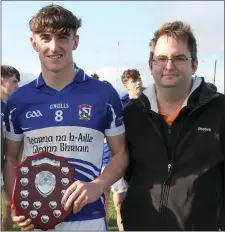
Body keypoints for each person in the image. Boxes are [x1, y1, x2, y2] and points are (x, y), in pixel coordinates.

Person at [3, 4, 128, 231]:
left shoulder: (104, 95)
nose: (53, 46)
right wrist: (16, 203)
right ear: (33, 43)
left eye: (62, 37)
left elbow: (121, 153)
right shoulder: (18, 100)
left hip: (89, 221)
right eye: (45, 37)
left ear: (75, 41)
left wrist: (98, 186)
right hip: (38, 222)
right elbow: (11, 159)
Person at [121, 21, 225, 231]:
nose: (169, 66)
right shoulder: (132, 113)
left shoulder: (220, 109)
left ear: (194, 64)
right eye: (161, 59)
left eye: (179, 58)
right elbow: (128, 171)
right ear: (151, 66)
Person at [103, 70, 143, 231]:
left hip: (140, 160)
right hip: (116, 158)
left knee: (138, 200)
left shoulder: (151, 102)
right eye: (133, 80)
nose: (138, 83)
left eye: (139, 79)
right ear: (126, 85)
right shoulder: (120, 105)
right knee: (116, 200)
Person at [1, 65, 20, 231]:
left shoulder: (15, 108)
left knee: (10, 205)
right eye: (14, 81)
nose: (17, 86)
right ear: (1, 82)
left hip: (9, 164)